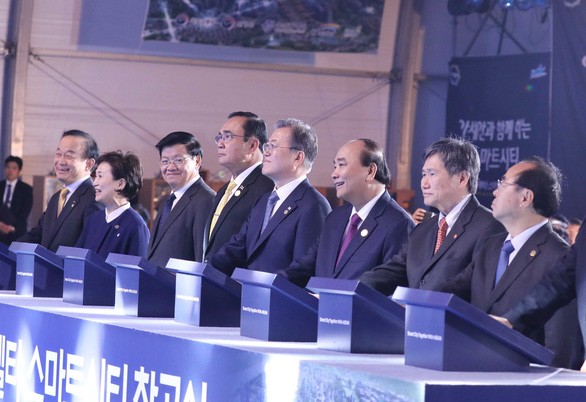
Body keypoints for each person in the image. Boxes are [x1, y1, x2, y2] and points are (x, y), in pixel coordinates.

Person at [440, 158, 579, 368]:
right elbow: (455, 289)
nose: (495, 192)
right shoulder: (491, 245)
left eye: (503, 184)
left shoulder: (559, 257)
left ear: (525, 198)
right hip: (472, 369)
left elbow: (558, 350)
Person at [359, 137, 504, 295]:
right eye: (423, 174)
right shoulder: (423, 229)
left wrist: (422, 301)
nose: (424, 183)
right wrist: (351, 288)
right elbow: (392, 272)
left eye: (432, 174)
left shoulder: (490, 227)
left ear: (462, 178)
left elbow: (474, 286)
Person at [281, 139, 414, 287]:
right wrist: (268, 283)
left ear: (370, 171)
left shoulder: (398, 223)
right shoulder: (335, 218)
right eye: (334, 166)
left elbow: (389, 285)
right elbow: (303, 268)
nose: (334, 174)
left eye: (342, 165)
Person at [209, 118, 331, 276]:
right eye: (267, 145)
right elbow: (237, 247)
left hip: (278, 298)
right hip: (248, 296)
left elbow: (303, 269)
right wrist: (202, 271)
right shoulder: (264, 201)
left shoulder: (314, 205)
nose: (266, 152)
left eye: (273, 146)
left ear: (298, 157)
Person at [203, 111, 273, 260]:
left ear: (252, 145)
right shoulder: (224, 190)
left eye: (228, 137)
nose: (220, 144)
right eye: (219, 137)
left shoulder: (267, 188)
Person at [19, 130, 101, 252]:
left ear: (88, 164)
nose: (61, 161)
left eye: (69, 156)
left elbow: (89, 249)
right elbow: (37, 234)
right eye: (58, 154)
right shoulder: (57, 197)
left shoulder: (94, 198)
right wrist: (10, 249)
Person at [147, 131, 215, 268]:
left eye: (178, 160)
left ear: (197, 161)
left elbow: (200, 260)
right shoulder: (167, 200)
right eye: (165, 161)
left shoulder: (206, 200)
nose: (170, 167)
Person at [75, 151, 150, 258]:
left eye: (100, 176)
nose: (95, 182)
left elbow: (136, 273)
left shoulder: (136, 226)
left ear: (120, 184)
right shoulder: (94, 219)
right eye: (95, 176)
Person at [0, 156, 33, 245]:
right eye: (8, 167)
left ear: (19, 171)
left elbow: (24, 213)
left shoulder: (26, 189)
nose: (10, 170)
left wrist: (11, 227)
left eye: (14, 168)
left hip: (17, 233)